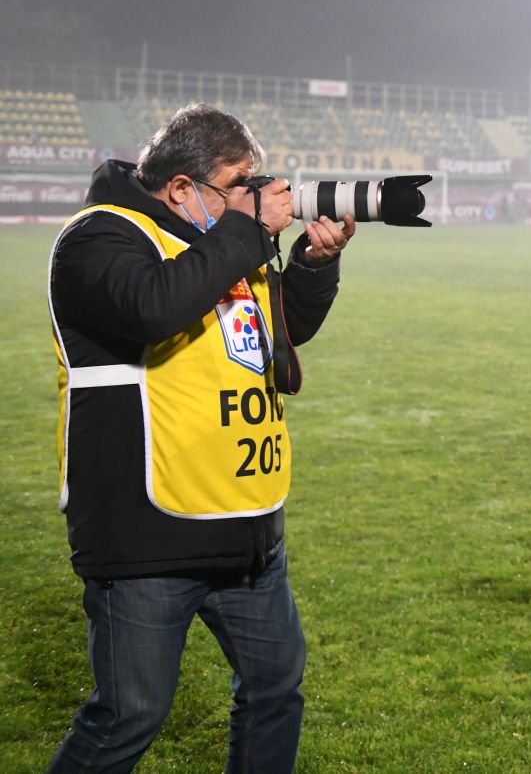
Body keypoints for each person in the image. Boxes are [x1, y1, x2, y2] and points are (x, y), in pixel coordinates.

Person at [46, 104, 355, 773]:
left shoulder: (217, 246)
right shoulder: (100, 238)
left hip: (243, 522)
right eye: (234, 183)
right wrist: (245, 233)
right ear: (181, 187)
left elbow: (273, 337)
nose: (251, 196)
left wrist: (312, 262)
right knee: (129, 716)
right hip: (149, 528)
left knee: (275, 688)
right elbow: (152, 308)